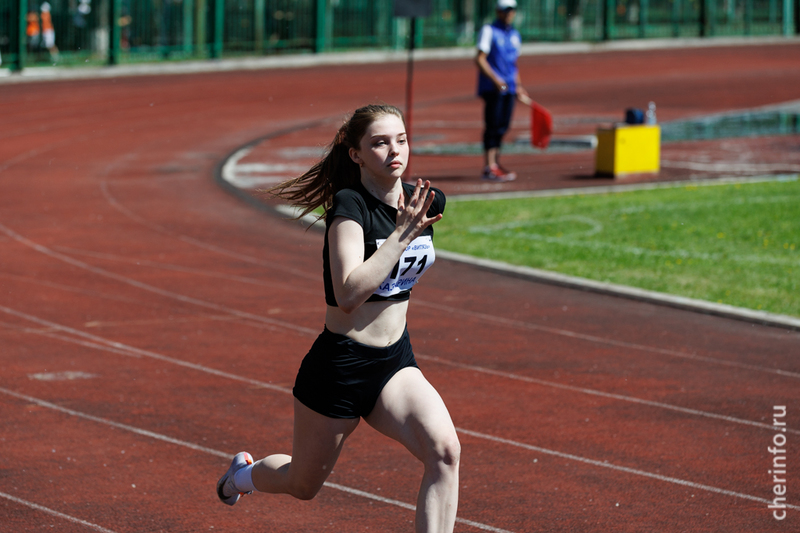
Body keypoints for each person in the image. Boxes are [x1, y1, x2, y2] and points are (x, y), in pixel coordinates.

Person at [216, 104, 461, 533]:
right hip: (340, 367)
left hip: (394, 364)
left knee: (444, 453)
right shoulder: (349, 208)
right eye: (380, 143)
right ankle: (241, 476)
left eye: (400, 139)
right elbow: (348, 293)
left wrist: (407, 228)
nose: (394, 150)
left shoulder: (427, 201)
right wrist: (400, 236)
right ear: (356, 155)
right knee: (302, 484)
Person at [475, 0, 532, 182]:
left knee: (503, 126)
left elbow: (513, 65)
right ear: (498, 11)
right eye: (505, 10)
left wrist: (519, 86)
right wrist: (496, 80)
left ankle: (495, 164)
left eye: (512, 10)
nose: (509, 13)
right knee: (492, 126)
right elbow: (480, 59)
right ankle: (489, 165)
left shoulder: (515, 34)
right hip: (493, 89)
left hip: (509, 89)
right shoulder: (489, 31)